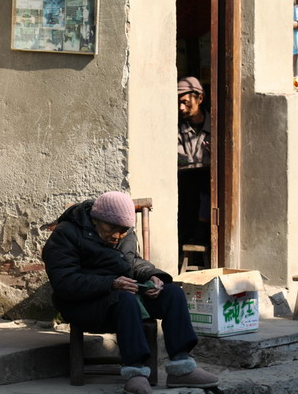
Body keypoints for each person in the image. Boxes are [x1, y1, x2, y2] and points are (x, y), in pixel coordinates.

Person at [42, 191, 218, 394]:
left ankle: (181, 367)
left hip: (121, 298)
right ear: (95, 219)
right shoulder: (66, 234)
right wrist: (111, 283)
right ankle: (135, 373)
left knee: (172, 294)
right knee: (125, 299)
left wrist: (153, 276)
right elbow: (65, 282)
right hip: (84, 304)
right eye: (112, 228)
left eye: (123, 231)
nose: (116, 236)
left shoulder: (126, 234)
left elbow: (132, 262)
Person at [177, 76, 211, 247]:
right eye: (178, 103)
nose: (181, 108)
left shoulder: (216, 126)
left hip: (206, 184)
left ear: (200, 98)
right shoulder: (176, 128)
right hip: (185, 186)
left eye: (185, 102)